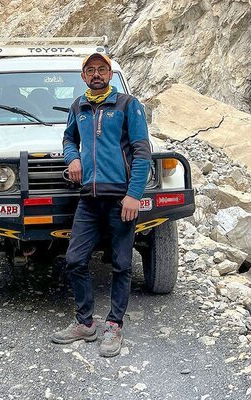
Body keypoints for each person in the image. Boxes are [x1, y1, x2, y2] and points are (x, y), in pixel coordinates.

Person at [50, 52, 152, 358]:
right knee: (75, 260)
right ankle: (85, 322)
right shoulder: (77, 106)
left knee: (121, 264)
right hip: (89, 200)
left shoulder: (127, 105)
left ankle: (114, 325)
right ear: (83, 77)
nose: (97, 74)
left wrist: (134, 194)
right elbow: (69, 140)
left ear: (110, 74)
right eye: (91, 70)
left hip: (121, 198)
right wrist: (74, 159)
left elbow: (142, 151)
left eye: (102, 69)